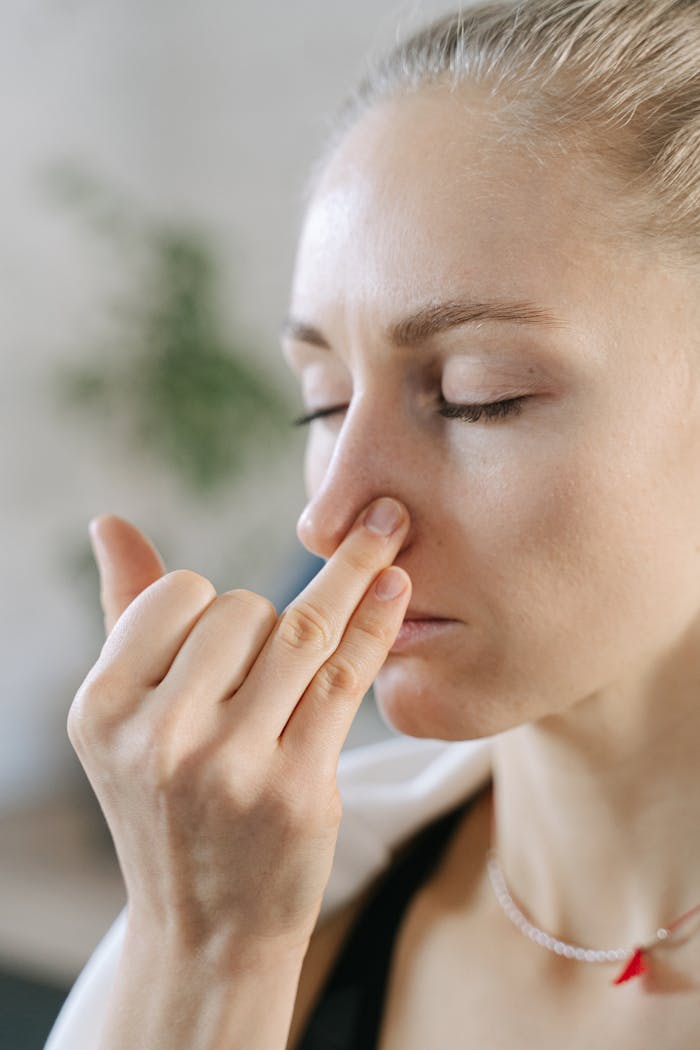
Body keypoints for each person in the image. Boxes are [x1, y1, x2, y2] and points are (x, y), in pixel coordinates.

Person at [46, 0, 700, 1046]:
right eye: (323, 401)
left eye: (477, 394)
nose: (331, 515)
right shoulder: (247, 928)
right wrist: (209, 960)